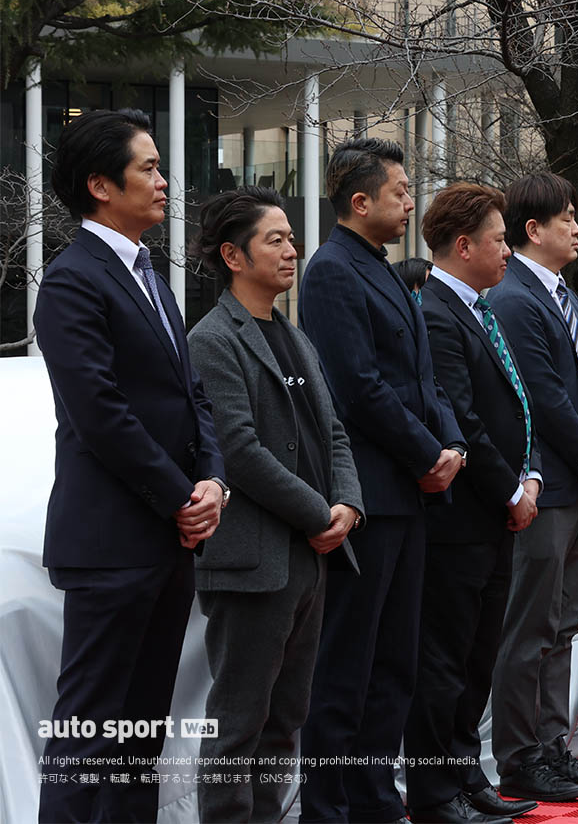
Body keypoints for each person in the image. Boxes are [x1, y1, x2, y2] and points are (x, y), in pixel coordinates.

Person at [33, 108, 226, 823]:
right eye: (147, 167)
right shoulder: (72, 280)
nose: (164, 180)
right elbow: (100, 413)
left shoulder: (147, 271)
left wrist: (212, 478)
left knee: (141, 731)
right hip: (113, 539)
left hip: (169, 534)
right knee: (90, 730)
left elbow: (190, 392)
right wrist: (182, 494)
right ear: (99, 185)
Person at [298, 137, 465, 823]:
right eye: (399, 192)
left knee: (396, 661)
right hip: (371, 491)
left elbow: (421, 380)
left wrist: (448, 443)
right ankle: (331, 806)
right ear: (358, 200)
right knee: (348, 665)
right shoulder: (332, 271)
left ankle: (374, 798)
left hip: (411, 490)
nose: (409, 204)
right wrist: (429, 453)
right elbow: (360, 387)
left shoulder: (386, 269)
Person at [186, 187, 364, 822]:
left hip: (310, 555)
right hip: (253, 559)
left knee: (286, 719)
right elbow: (237, 449)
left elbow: (334, 432)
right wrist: (322, 514)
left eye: (291, 238)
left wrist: (347, 504)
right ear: (234, 255)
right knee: (239, 721)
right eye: (276, 239)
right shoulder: (212, 338)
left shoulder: (294, 334)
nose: (292, 251)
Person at [403, 182, 544, 823]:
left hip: (496, 514)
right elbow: (462, 414)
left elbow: (516, 402)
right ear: (464, 246)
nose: (508, 252)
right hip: (460, 519)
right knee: (446, 660)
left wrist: (531, 473)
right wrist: (511, 488)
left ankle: (466, 775)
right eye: (497, 240)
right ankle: (436, 790)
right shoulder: (436, 311)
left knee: (479, 653)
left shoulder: (482, 309)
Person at [486, 173, 578, 802]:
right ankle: (520, 756)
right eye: (564, 218)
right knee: (531, 629)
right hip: (549, 487)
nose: (577, 227)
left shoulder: (565, 294)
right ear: (532, 229)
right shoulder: (514, 297)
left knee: (566, 626)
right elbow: (541, 397)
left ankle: (553, 746)